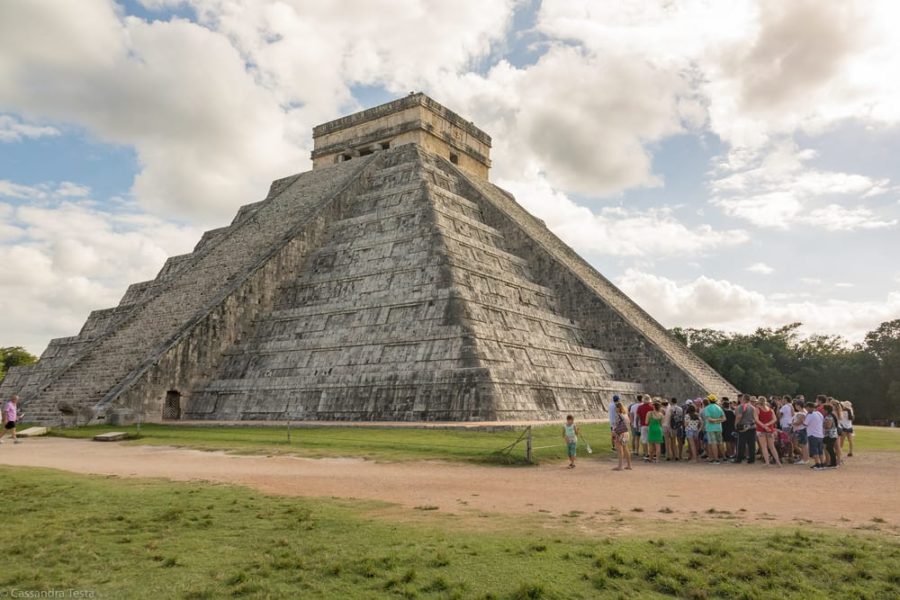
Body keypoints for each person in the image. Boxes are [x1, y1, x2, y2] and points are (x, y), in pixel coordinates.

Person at [755, 398, 781, 466]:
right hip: (770, 429)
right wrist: (767, 425)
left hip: (761, 429)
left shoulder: (757, 409)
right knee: (772, 447)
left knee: (764, 447)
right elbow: (774, 419)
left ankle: (767, 462)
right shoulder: (770, 409)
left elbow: (757, 420)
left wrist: (764, 426)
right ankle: (778, 461)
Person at [733, 394, 758, 464]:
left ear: (743, 399)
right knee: (751, 444)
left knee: (741, 443)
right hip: (752, 426)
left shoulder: (741, 406)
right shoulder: (753, 407)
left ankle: (739, 459)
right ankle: (751, 459)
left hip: (743, 426)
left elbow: (739, 416)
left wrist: (735, 424)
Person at [702, 395, 725, 464]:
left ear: (709, 400)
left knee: (713, 443)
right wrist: (718, 420)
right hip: (718, 427)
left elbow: (709, 419)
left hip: (710, 428)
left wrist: (715, 420)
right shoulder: (719, 407)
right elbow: (724, 418)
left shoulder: (707, 408)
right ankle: (724, 457)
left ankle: (716, 459)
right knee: (720, 443)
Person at [804, 401, 826, 470]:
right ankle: (822, 463)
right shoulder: (819, 413)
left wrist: (803, 419)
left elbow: (805, 424)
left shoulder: (810, 415)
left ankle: (818, 464)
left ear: (809, 407)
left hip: (812, 434)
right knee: (820, 450)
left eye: (807, 408)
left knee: (814, 450)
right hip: (820, 434)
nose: (806, 409)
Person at [612, 402, 633, 471]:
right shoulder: (626, 415)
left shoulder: (618, 415)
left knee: (620, 450)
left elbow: (616, 425)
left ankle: (620, 466)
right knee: (626, 449)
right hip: (626, 433)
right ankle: (629, 465)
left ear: (618, 408)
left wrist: (614, 433)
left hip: (620, 433)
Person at [791, 400, 809, 464]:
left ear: (798, 405)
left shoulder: (802, 413)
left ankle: (805, 459)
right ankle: (805, 458)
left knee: (803, 445)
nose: (795, 406)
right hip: (801, 430)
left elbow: (799, 422)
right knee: (803, 445)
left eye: (795, 405)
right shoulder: (803, 411)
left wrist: (792, 423)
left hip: (801, 430)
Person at [637, 396, 653, 461]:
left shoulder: (640, 407)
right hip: (650, 425)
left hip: (643, 425)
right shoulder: (651, 407)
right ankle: (651, 454)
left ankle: (646, 454)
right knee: (651, 440)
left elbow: (638, 416)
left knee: (644, 440)